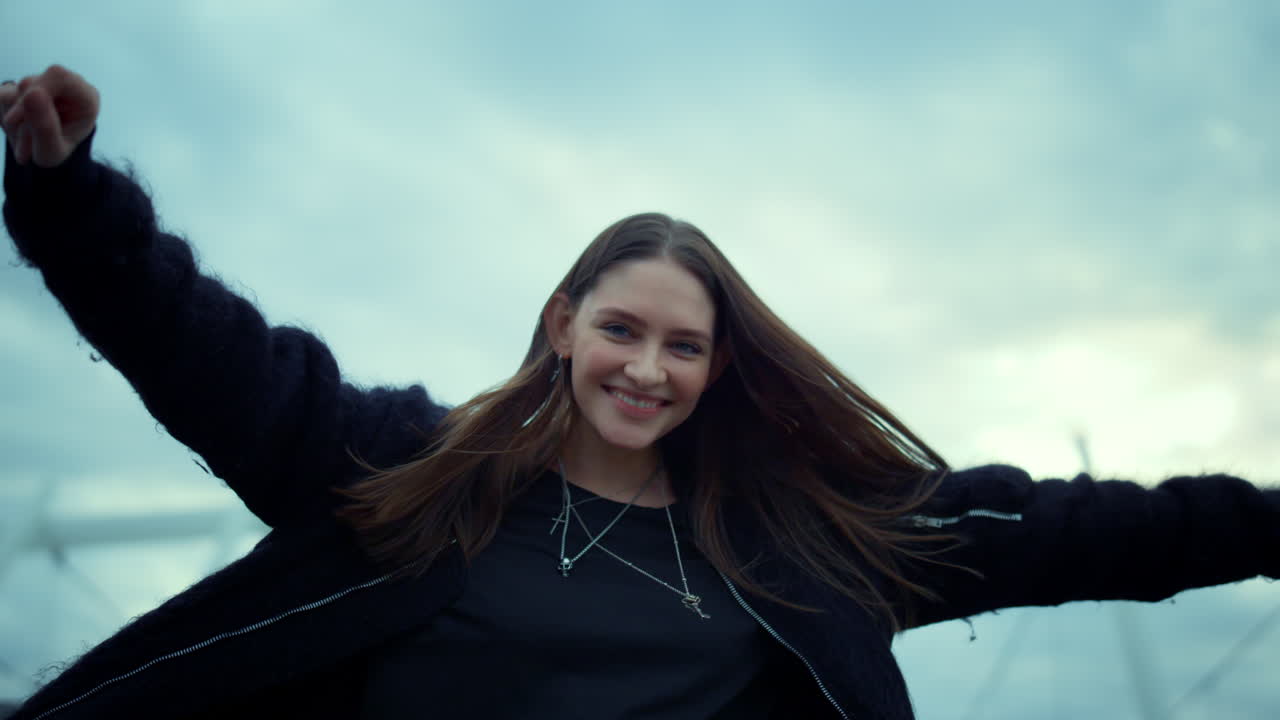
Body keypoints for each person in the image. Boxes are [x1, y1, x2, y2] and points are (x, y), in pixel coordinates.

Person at [2, 65, 1276, 720]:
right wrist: (71, 193)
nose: (646, 368)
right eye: (620, 328)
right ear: (563, 326)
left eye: (683, 346)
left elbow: (1076, 529)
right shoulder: (404, 469)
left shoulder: (805, 542)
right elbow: (204, 350)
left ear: (718, 367)